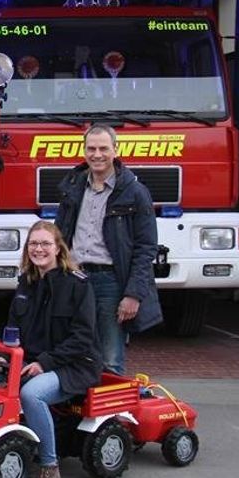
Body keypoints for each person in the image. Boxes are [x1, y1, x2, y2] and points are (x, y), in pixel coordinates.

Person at [0, 221, 102, 478]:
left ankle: (48, 467)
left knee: (31, 394)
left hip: (74, 365)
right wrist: (1, 356)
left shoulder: (77, 285)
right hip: (29, 362)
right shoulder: (26, 283)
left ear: (58, 248)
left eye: (45, 244)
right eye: (33, 244)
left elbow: (82, 338)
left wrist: (45, 362)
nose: (38, 249)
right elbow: (12, 331)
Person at [54, 124, 163, 374]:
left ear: (116, 150)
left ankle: (109, 413)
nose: (97, 154)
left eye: (103, 148)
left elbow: (146, 248)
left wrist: (133, 294)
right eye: (91, 148)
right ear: (84, 151)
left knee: (110, 359)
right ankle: (77, 410)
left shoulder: (135, 193)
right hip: (75, 280)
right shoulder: (72, 187)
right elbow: (59, 235)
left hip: (110, 283)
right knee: (74, 352)